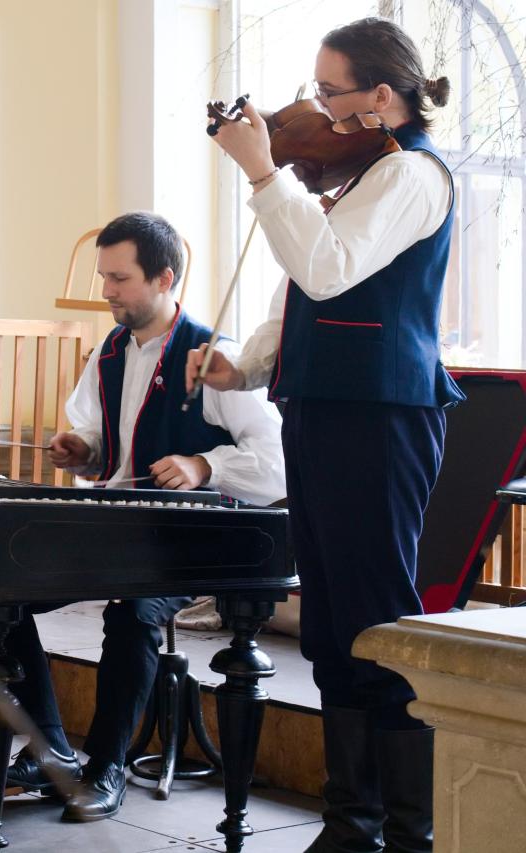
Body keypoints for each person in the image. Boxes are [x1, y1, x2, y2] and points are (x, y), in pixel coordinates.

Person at [196, 17, 458, 853]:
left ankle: (408, 835)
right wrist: (248, 363)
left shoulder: (411, 173)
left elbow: (327, 267)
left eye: (328, 91)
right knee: (333, 623)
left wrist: (263, 171)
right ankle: (351, 824)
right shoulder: (364, 175)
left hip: (381, 414)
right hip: (323, 407)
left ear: (381, 95)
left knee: (378, 619)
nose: (316, 108)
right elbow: (306, 290)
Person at [2, 212, 286, 823]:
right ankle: (50, 749)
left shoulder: (214, 357)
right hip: (115, 532)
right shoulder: (109, 351)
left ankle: (106, 768)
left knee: (133, 612)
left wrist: (204, 465)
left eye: (120, 278)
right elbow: (101, 439)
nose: (106, 291)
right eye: (104, 276)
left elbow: (276, 464)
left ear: (163, 278)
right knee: (0, 593)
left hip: (189, 541)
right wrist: (84, 450)